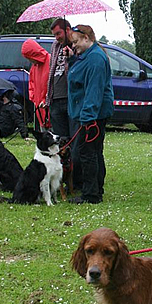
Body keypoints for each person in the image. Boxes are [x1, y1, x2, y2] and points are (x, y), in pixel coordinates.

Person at [67, 25, 114, 204]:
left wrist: (88, 118)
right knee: (94, 152)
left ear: (86, 38)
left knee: (88, 153)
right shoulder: (86, 56)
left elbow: (94, 91)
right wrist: (72, 60)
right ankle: (96, 189)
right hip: (91, 114)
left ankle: (91, 194)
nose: (74, 46)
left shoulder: (95, 59)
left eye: (76, 41)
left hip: (93, 116)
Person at [45, 18, 73, 137]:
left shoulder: (77, 45)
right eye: (55, 35)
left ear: (67, 30)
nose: (57, 37)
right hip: (55, 99)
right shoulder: (55, 46)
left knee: (73, 138)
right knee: (60, 139)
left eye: (58, 33)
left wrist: (71, 57)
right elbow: (51, 69)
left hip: (70, 98)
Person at [21, 39, 50, 130]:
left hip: (49, 107)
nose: (30, 60)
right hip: (40, 107)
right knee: (43, 133)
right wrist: (33, 98)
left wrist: (46, 99)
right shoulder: (34, 67)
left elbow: (55, 84)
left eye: (29, 57)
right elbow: (32, 84)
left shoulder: (51, 61)